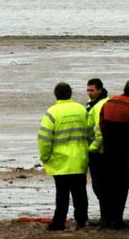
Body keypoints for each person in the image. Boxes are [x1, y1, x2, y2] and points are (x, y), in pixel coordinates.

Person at [37, 82, 89, 231]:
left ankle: (59, 222)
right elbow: (90, 131)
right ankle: (82, 221)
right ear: (70, 94)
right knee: (80, 193)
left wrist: (44, 157)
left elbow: (44, 138)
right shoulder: (81, 110)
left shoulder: (52, 112)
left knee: (62, 194)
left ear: (56, 95)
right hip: (79, 159)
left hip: (60, 161)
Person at [99, 79, 129, 229]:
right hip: (124, 151)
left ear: (124, 89)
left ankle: (105, 218)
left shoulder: (109, 102)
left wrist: (107, 140)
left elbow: (101, 124)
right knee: (121, 185)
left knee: (107, 184)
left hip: (108, 149)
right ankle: (116, 220)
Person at [85, 79, 108, 222]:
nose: (89, 93)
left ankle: (105, 216)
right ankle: (106, 216)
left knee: (100, 186)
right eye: (88, 90)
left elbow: (100, 133)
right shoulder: (92, 103)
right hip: (100, 151)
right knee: (100, 186)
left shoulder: (100, 105)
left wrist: (91, 149)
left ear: (100, 90)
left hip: (99, 153)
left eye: (92, 90)